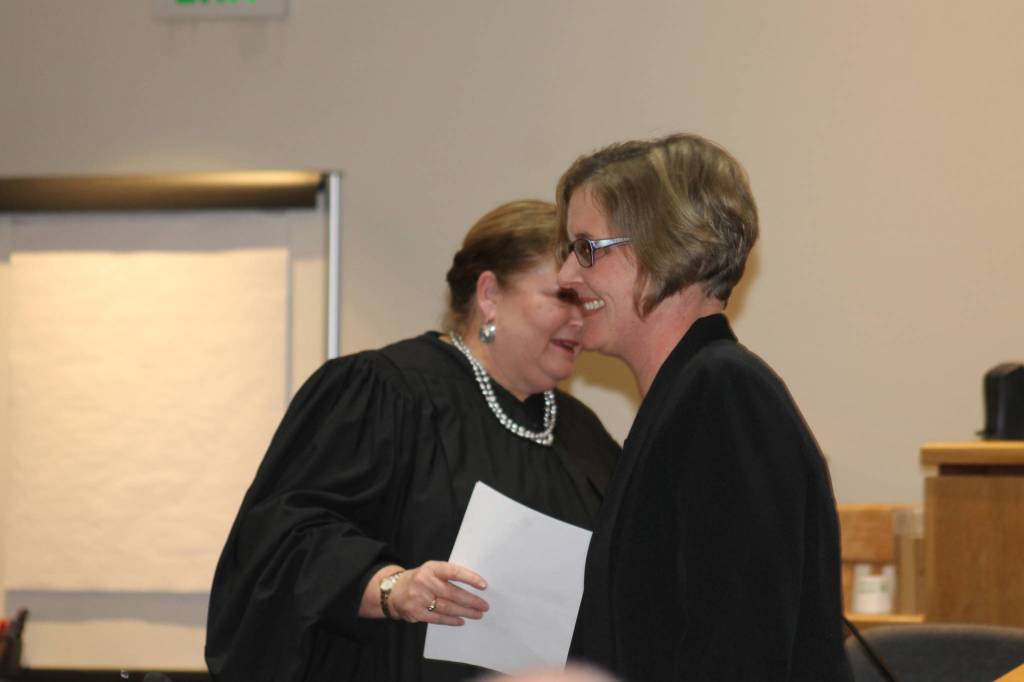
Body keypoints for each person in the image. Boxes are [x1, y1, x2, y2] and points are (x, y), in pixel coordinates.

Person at [205, 200, 620, 682]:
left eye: (586, 301)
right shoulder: (382, 392)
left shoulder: (581, 432)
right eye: (562, 297)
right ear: (489, 293)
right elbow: (279, 544)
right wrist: (392, 587)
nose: (579, 319)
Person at [555, 134, 853, 681]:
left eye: (587, 249)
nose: (567, 276)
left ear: (668, 248)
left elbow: (740, 647)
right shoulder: (688, 394)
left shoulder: (723, 394)